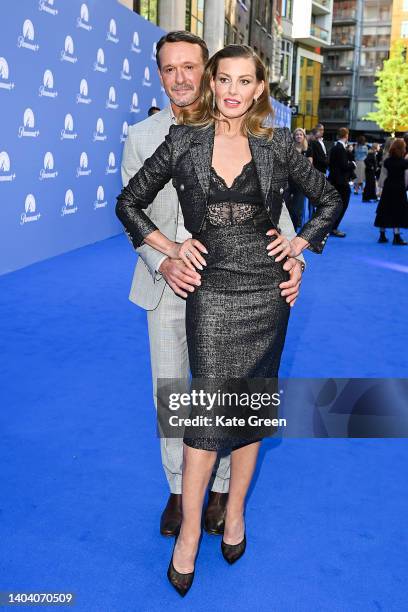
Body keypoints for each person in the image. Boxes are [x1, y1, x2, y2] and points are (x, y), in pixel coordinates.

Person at [116, 44, 342, 596]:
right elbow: (129, 202)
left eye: (246, 80)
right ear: (214, 84)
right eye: (225, 79)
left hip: (266, 295)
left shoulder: (274, 145)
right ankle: (190, 530)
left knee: (251, 402)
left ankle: (234, 511)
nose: (234, 90)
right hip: (211, 295)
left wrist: (299, 247)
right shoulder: (184, 140)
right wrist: (169, 246)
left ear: (259, 88)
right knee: (206, 408)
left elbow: (329, 200)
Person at [374, 138, 408, 245]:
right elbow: (406, 178)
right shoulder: (404, 162)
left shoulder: (387, 161)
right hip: (399, 188)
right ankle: (396, 236)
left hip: (388, 188)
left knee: (384, 209)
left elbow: (384, 174)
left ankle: (382, 235)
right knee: (398, 211)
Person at [327, 127, 356, 238]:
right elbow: (344, 166)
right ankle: (333, 228)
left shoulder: (336, 148)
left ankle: (331, 227)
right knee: (342, 205)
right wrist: (353, 164)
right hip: (340, 182)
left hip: (334, 180)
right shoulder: (340, 148)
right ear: (347, 136)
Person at [287, 128, 313, 230]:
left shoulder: (308, 150)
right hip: (288, 181)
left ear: (304, 137)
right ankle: (289, 228)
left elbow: (309, 166)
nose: (298, 136)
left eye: (300, 134)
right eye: (297, 134)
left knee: (297, 209)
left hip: (301, 182)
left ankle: (294, 227)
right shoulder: (289, 149)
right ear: (294, 136)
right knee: (287, 207)